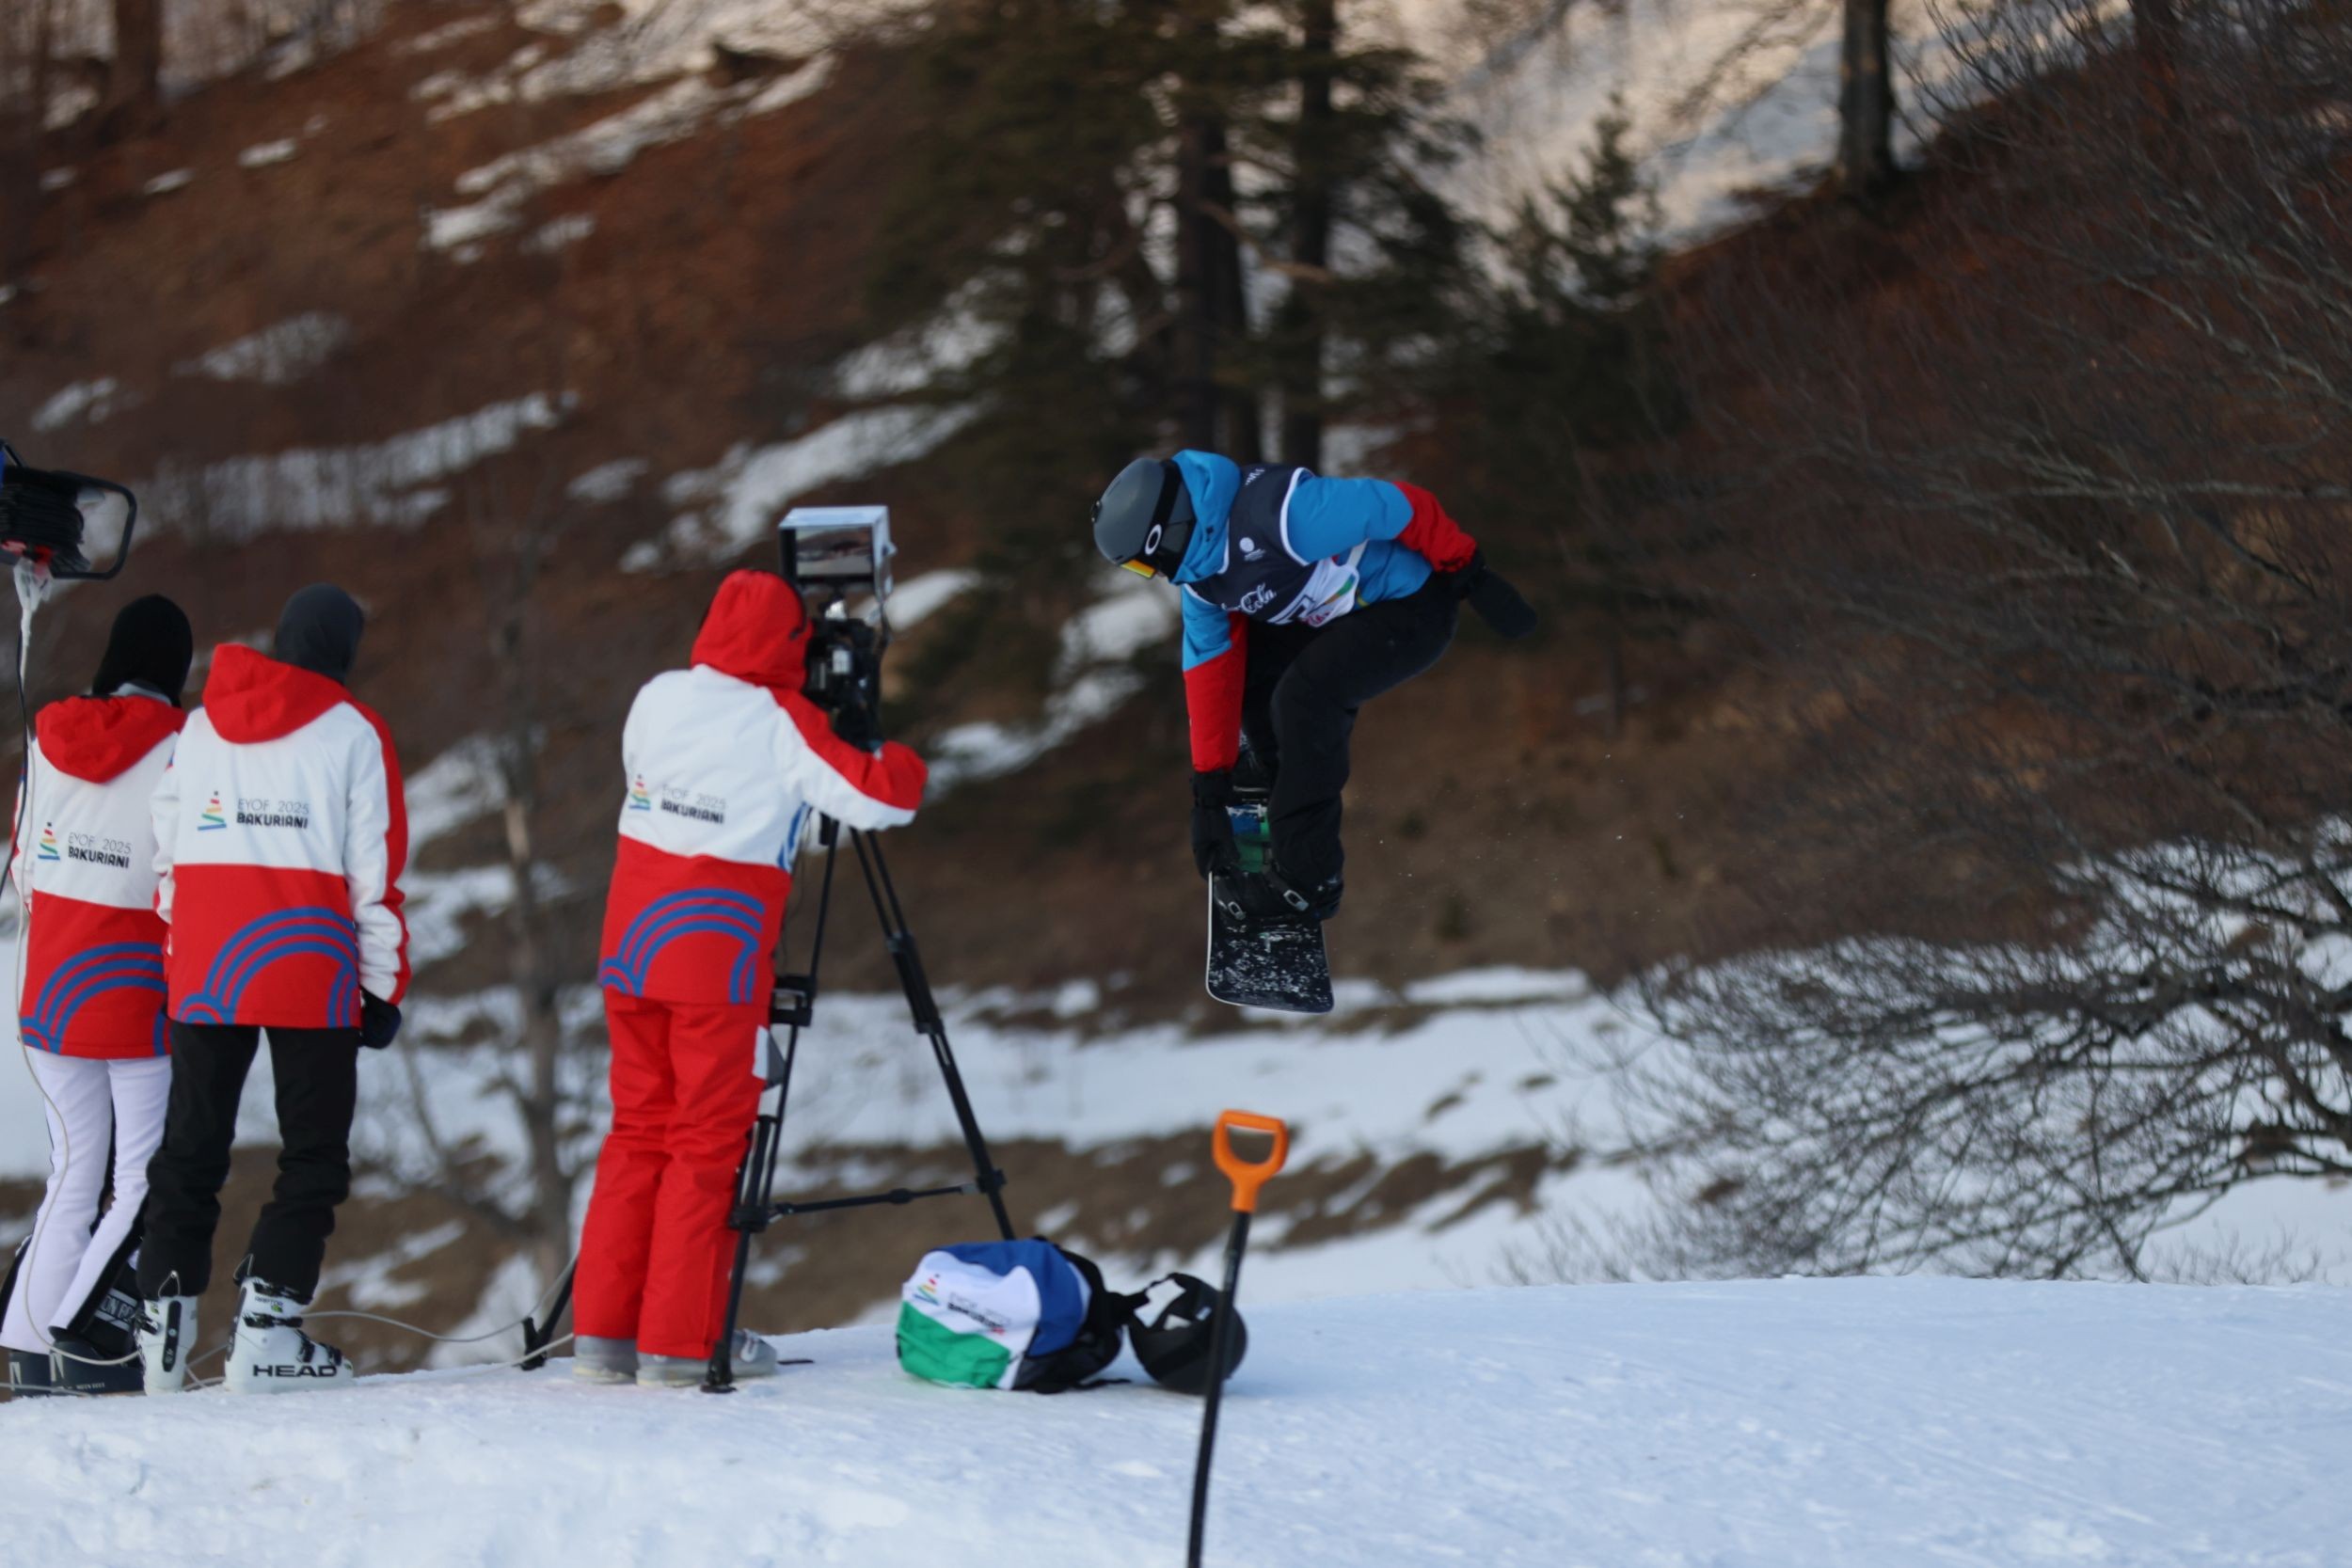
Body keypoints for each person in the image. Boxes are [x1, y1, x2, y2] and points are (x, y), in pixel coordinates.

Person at [574, 569, 927, 1387]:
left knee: (637, 1130)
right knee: (705, 1142)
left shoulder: (657, 695)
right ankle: (683, 1340)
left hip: (630, 941)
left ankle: (605, 1334)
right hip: (714, 954)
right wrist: (887, 745)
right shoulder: (784, 722)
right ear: (790, 646)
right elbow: (880, 798)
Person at [135, 584, 408, 1395]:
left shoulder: (201, 725)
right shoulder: (355, 731)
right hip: (308, 963)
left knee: (188, 1152)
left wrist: (180, 950)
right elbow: (377, 873)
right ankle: (267, 1329)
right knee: (312, 1153)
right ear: (342, 651)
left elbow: (169, 849)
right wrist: (382, 984)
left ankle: (161, 1334)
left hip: (210, 962)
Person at [1090, 452, 1534, 919]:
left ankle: (1310, 876)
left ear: (1170, 533)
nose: (1153, 574)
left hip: (1412, 607)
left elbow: (1402, 506)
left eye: (1144, 565)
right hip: (1331, 613)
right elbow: (1210, 673)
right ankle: (1269, 796)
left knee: (1305, 699)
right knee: (1244, 679)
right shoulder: (1202, 582)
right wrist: (1210, 791)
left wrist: (1469, 570)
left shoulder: (1282, 515)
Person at [0, 596, 194, 1396]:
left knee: (75, 1172)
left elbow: (22, 865)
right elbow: (182, 874)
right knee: (141, 1180)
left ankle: (27, 1348)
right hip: (136, 993)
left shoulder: (48, 734)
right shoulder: (185, 747)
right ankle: (85, 1343)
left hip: (50, 987)